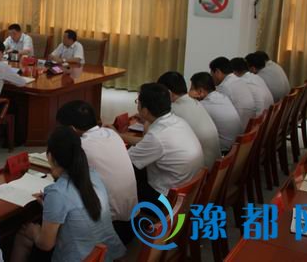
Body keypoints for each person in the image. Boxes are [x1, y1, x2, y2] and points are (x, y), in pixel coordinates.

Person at [11, 126, 125, 262]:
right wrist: (50, 206)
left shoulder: (57, 192)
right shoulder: (93, 175)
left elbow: (46, 244)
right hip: (108, 255)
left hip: (81, 258)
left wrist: (34, 232)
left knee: (24, 234)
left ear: (49, 156)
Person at [56, 100, 137, 244]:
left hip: (110, 231)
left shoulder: (81, 147)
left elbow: (62, 181)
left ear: (72, 129)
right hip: (132, 222)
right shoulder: (112, 134)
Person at [127, 83, 204, 205]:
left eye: (138, 102)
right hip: (187, 192)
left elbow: (126, 162)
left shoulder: (157, 136)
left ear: (145, 110)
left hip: (167, 199)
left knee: (121, 182)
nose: (137, 105)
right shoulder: (179, 121)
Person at [157, 71, 221, 169]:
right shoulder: (195, 102)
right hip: (215, 165)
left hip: (203, 170)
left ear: (168, 93)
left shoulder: (173, 109)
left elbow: (154, 136)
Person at [189, 72, 243, 153]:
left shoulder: (205, 105)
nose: (189, 91)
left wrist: (189, 97)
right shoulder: (223, 97)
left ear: (200, 91)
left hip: (224, 152)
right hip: (235, 149)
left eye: (191, 89)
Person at [209, 57, 258, 129]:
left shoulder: (224, 86)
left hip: (241, 129)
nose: (212, 78)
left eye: (212, 74)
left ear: (217, 72)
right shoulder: (239, 80)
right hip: (250, 127)